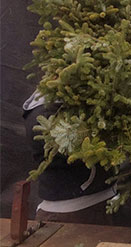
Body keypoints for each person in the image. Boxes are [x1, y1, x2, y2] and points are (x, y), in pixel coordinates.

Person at [23, 90, 117, 224]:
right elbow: (80, 151)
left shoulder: (79, 102)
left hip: (98, 203)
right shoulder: (43, 115)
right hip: (68, 214)